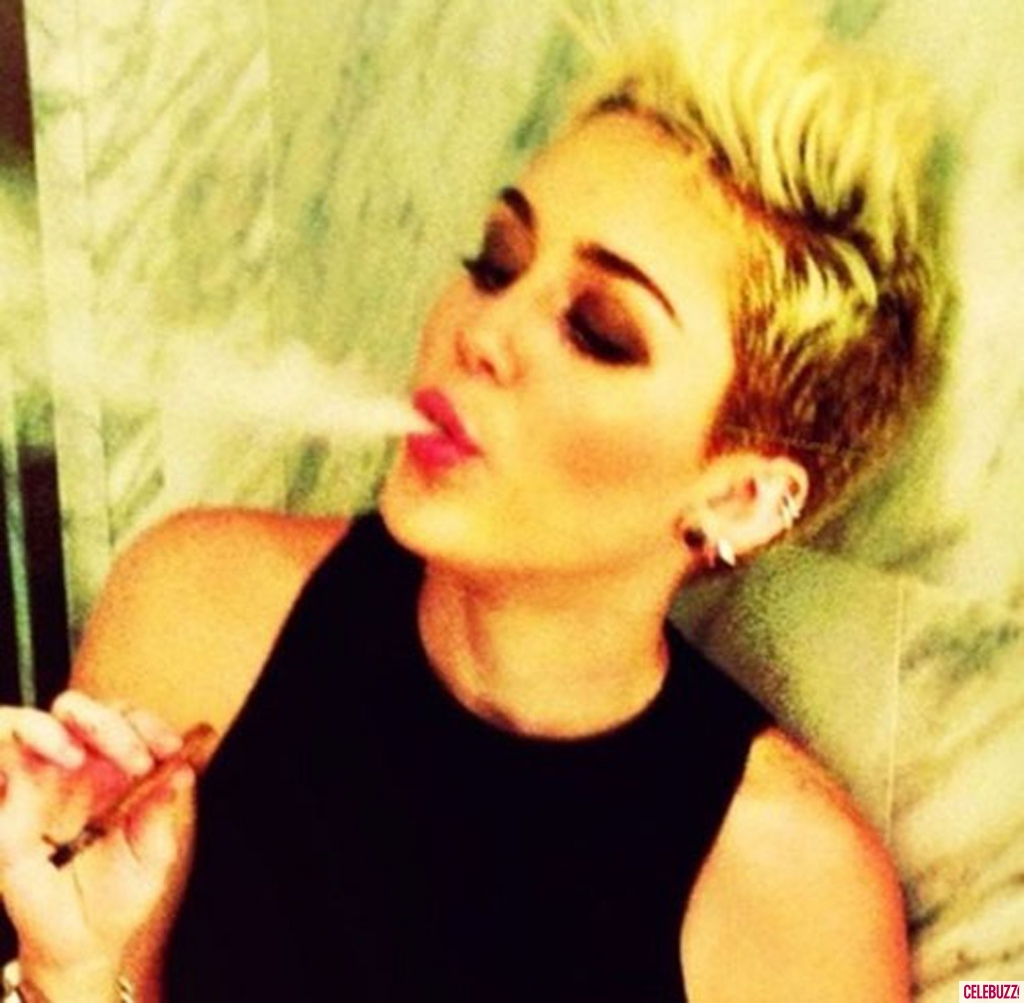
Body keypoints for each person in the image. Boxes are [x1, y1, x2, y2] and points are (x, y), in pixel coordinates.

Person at [0, 4, 945, 1001]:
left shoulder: (787, 891)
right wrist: (74, 964)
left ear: (743, 499)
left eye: (599, 330)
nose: (482, 334)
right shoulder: (202, 607)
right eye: (497, 264)